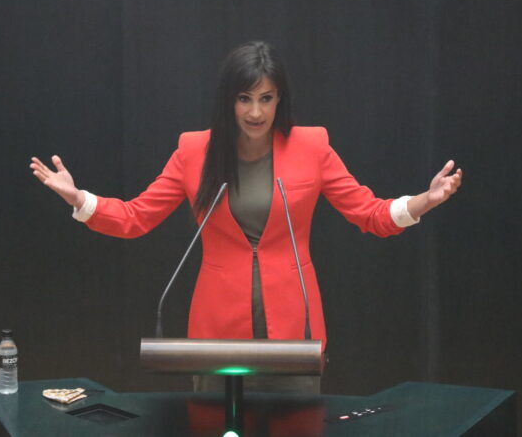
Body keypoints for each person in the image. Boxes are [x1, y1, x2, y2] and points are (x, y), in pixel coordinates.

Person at [30, 41, 462, 393]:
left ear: (280, 100)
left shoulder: (312, 147)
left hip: (294, 325)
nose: (255, 112)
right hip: (217, 328)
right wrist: (79, 198)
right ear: (228, 101)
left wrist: (424, 200)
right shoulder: (194, 150)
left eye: (266, 99)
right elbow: (134, 217)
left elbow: (369, 213)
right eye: (244, 99)